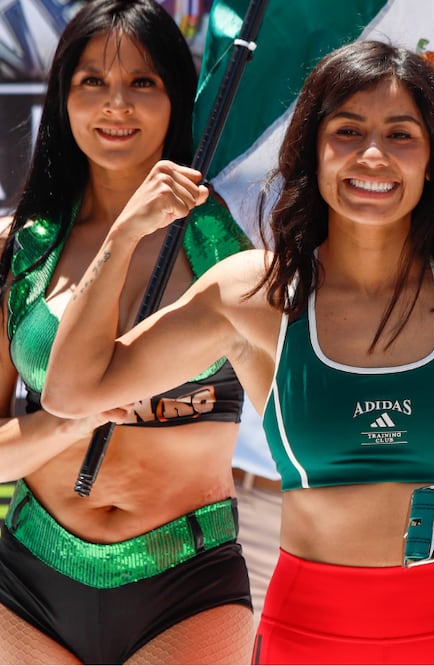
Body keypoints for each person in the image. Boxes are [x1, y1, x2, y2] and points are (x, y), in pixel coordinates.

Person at [42, 39, 434, 664]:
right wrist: (125, 234)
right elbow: (72, 391)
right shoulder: (257, 293)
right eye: (347, 132)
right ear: (313, 153)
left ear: (432, 159)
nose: (372, 156)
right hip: (306, 635)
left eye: (401, 135)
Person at [0, 1, 256, 664]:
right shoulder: (21, 250)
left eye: (144, 82)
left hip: (185, 580)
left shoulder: (227, 250)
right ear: (63, 98)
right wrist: (67, 421)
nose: (118, 105)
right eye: (93, 82)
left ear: (176, 98)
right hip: (26, 576)